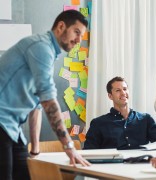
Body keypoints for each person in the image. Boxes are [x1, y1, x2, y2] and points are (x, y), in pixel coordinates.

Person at [0, 10, 90, 180]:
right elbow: (49, 101)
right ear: (61, 26)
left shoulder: (50, 54)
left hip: (12, 128)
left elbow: (37, 106)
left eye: (81, 35)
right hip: (2, 122)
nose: (79, 40)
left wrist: (35, 148)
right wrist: (69, 146)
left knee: (26, 174)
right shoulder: (41, 47)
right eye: (76, 32)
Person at [84, 76, 156, 150]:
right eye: (118, 90)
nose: (123, 93)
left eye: (125, 89)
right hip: (112, 166)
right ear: (110, 96)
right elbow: (89, 152)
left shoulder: (145, 119)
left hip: (140, 165)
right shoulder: (98, 123)